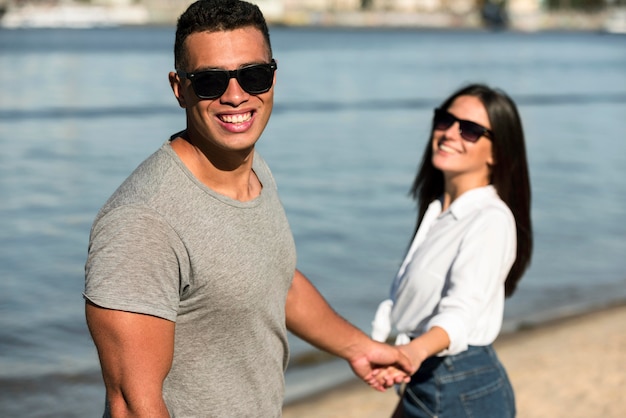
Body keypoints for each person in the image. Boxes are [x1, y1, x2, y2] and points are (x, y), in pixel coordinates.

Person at [83, 1, 412, 417]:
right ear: (179, 88)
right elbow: (132, 405)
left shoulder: (252, 169)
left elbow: (274, 278)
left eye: (253, 76)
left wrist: (359, 348)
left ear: (273, 78)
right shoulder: (142, 224)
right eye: (209, 82)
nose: (235, 97)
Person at [371, 84, 533, 417]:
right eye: (446, 120)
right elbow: (407, 301)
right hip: (426, 376)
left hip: (461, 385)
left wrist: (411, 354)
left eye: (471, 130)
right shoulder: (438, 212)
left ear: (496, 152)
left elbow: (460, 312)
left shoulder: (490, 219)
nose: (450, 133)